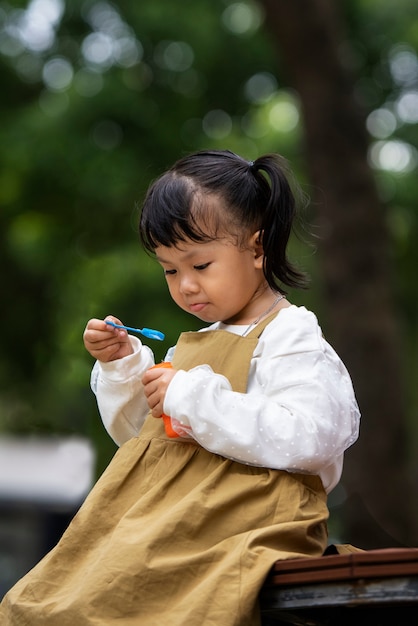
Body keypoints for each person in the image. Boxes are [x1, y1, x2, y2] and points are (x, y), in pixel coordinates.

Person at [0, 150, 360, 625]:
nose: (185, 285)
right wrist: (123, 367)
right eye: (170, 270)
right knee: (55, 600)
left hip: (240, 525)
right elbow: (144, 444)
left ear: (257, 249)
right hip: (163, 522)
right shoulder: (189, 350)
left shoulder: (289, 335)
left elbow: (313, 438)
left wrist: (189, 396)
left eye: (200, 265)